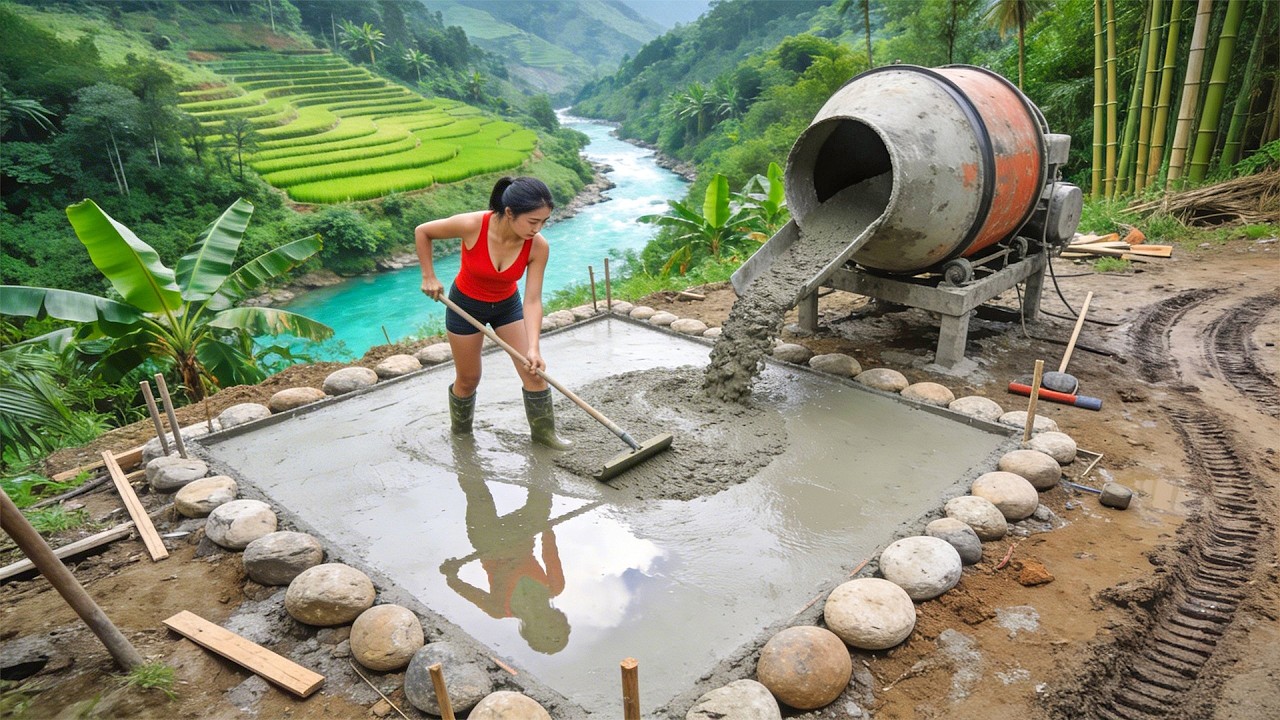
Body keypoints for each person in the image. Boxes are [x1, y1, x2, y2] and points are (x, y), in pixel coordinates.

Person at [415, 176, 572, 449]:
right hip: (465, 307)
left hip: (506, 307)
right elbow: (423, 230)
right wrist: (429, 276)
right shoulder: (473, 225)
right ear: (509, 212)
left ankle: (545, 437)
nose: (539, 229)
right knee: (468, 379)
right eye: (533, 221)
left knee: (533, 371)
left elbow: (533, 300)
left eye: (544, 221)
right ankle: (461, 434)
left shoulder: (538, 246)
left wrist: (534, 348)